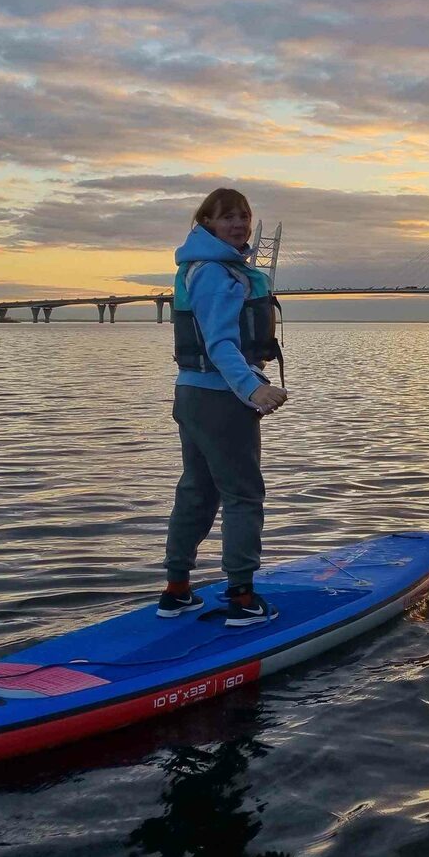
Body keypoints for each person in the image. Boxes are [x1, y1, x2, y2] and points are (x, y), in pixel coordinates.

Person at [159, 187, 288, 626]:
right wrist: (252, 389)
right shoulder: (218, 273)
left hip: (191, 395)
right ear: (207, 222)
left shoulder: (199, 267)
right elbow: (219, 345)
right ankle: (242, 598)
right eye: (228, 217)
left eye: (244, 217)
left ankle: (177, 591)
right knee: (243, 494)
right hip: (220, 396)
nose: (238, 224)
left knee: (198, 488)